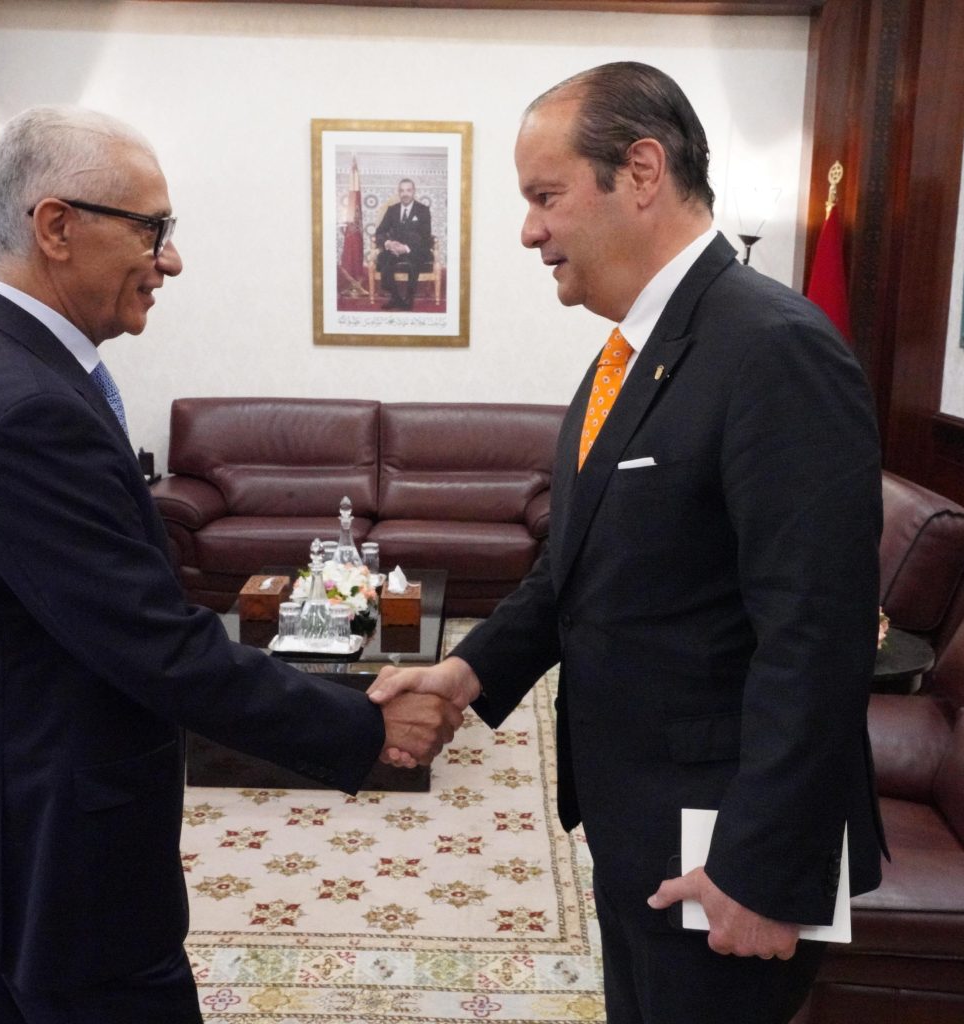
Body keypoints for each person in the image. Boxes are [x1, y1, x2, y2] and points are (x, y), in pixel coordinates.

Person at [0, 106, 460, 1024]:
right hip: (60, 865)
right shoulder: (26, 408)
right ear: (56, 226)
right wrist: (364, 725)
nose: (171, 260)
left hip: (19, 842)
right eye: (152, 229)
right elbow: (158, 647)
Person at [369, 63, 886, 1024]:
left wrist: (764, 869)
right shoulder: (634, 351)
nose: (528, 230)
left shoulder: (774, 347)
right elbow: (579, 566)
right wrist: (466, 672)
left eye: (545, 196)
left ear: (641, 172)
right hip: (636, 820)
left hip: (725, 853)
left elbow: (818, 636)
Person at [372, 177, 433, 309]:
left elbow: (425, 236)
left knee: (415, 260)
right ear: (398, 192)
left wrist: (405, 248)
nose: (405, 194)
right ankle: (396, 298)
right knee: (383, 258)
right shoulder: (392, 210)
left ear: (414, 191)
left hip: (415, 249)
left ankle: (409, 299)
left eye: (408, 190)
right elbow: (380, 232)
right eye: (402, 190)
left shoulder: (423, 210)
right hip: (394, 249)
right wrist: (389, 243)